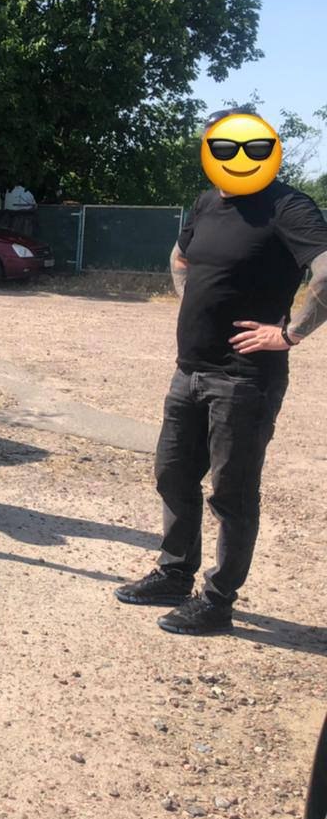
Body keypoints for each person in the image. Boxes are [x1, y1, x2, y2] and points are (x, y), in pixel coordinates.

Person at [115, 109, 327, 635]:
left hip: (244, 379)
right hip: (189, 371)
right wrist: (192, 300)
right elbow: (180, 256)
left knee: (232, 495)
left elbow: (325, 270)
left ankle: (217, 601)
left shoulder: (288, 206)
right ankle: (173, 574)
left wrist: (290, 333)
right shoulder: (208, 202)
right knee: (172, 475)